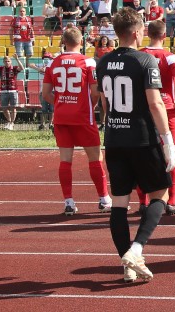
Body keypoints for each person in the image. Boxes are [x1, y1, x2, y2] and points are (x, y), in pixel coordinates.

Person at [97, 8, 175, 282]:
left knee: (119, 203)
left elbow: (105, 104)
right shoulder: (145, 60)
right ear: (135, 32)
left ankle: (127, 266)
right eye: (142, 29)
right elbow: (155, 103)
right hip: (142, 138)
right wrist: (168, 140)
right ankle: (136, 249)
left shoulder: (103, 62)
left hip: (114, 139)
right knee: (160, 195)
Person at [43, 27, 110, 216]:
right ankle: (104, 199)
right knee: (95, 158)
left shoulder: (53, 63)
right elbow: (95, 92)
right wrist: (89, 103)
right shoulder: (88, 62)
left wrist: (61, 103)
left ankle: (69, 202)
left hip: (62, 117)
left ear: (64, 41)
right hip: (83, 116)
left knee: (65, 161)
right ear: (81, 42)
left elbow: (46, 94)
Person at [141, 21, 175, 215]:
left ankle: (143, 202)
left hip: (144, 108)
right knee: (172, 154)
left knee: (143, 154)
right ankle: (172, 201)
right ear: (164, 36)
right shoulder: (170, 57)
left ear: (147, 33)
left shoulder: (140, 54)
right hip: (166, 108)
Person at [0, 54, 24, 130]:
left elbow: (22, 68)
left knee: (13, 108)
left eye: (8, 61)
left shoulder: (14, 68)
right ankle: (9, 121)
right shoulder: (1, 68)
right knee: (4, 108)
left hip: (13, 90)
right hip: (3, 91)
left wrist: (17, 59)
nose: (7, 62)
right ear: (3, 62)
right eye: (5, 61)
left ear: (11, 62)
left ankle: (12, 123)